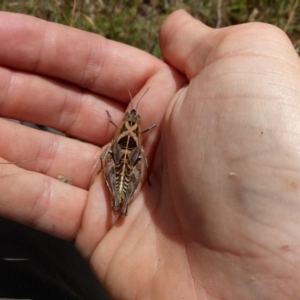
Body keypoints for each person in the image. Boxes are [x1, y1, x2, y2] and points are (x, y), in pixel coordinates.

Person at [0, 9, 299, 300]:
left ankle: (121, 202)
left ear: (134, 126)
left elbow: (129, 149)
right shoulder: (130, 132)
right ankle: (120, 200)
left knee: (122, 167)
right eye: (129, 121)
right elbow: (125, 146)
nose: (130, 123)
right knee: (119, 166)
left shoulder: (125, 132)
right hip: (121, 162)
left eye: (132, 121)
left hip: (124, 163)